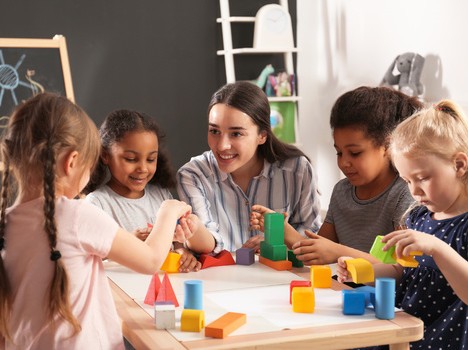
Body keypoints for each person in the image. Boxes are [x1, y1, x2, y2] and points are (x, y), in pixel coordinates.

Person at [0, 93, 193, 348]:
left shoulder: (6, 224)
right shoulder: (78, 215)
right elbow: (150, 260)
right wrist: (168, 211)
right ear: (72, 162)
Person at [336, 100, 468, 349]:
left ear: (459, 165)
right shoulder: (418, 217)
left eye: (423, 178)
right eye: (407, 180)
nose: (415, 191)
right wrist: (363, 272)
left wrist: (437, 248)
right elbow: (402, 272)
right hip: (404, 331)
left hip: (444, 338)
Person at [253, 86, 422, 265]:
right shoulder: (342, 191)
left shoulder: (405, 194)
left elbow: (401, 268)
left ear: (388, 147)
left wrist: (339, 252)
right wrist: (282, 230)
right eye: (339, 153)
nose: (344, 163)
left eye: (355, 153)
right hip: (342, 290)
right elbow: (317, 250)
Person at [177, 81, 322, 252]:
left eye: (236, 134)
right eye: (214, 131)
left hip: (285, 275)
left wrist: (275, 241)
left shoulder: (297, 170)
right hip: (219, 277)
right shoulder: (192, 175)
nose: (222, 146)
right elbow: (205, 243)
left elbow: (311, 236)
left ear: (262, 136)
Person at [85, 110, 216, 272]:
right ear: (106, 155)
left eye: (151, 159)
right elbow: (91, 257)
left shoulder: (160, 195)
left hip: (163, 286)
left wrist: (181, 251)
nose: (143, 168)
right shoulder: (97, 203)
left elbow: (176, 239)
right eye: (131, 159)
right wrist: (128, 243)